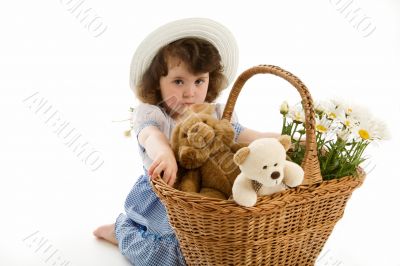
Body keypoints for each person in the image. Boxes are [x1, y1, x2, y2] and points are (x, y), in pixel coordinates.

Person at [93, 18, 280, 265]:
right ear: (156, 83)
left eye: (199, 81)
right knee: (175, 255)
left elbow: (251, 137)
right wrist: (165, 154)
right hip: (168, 198)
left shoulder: (216, 114)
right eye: (178, 81)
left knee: (217, 245)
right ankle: (121, 231)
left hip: (207, 196)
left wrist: (288, 141)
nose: (190, 92)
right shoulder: (154, 115)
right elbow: (150, 136)